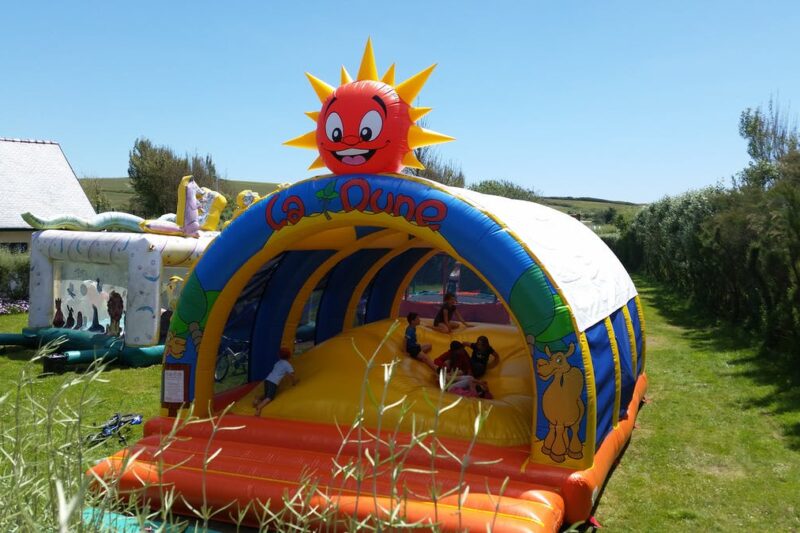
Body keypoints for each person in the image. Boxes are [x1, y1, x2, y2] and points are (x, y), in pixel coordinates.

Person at [254, 347, 298, 416]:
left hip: (268, 380)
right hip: (273, 382)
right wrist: (294, 382)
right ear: (289, 356)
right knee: (270, 397)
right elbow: (292, 374)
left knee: (266, 395)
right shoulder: (287, 364)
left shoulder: (278, 363)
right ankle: (259, 407)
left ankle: (257, 399)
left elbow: (277, 371)